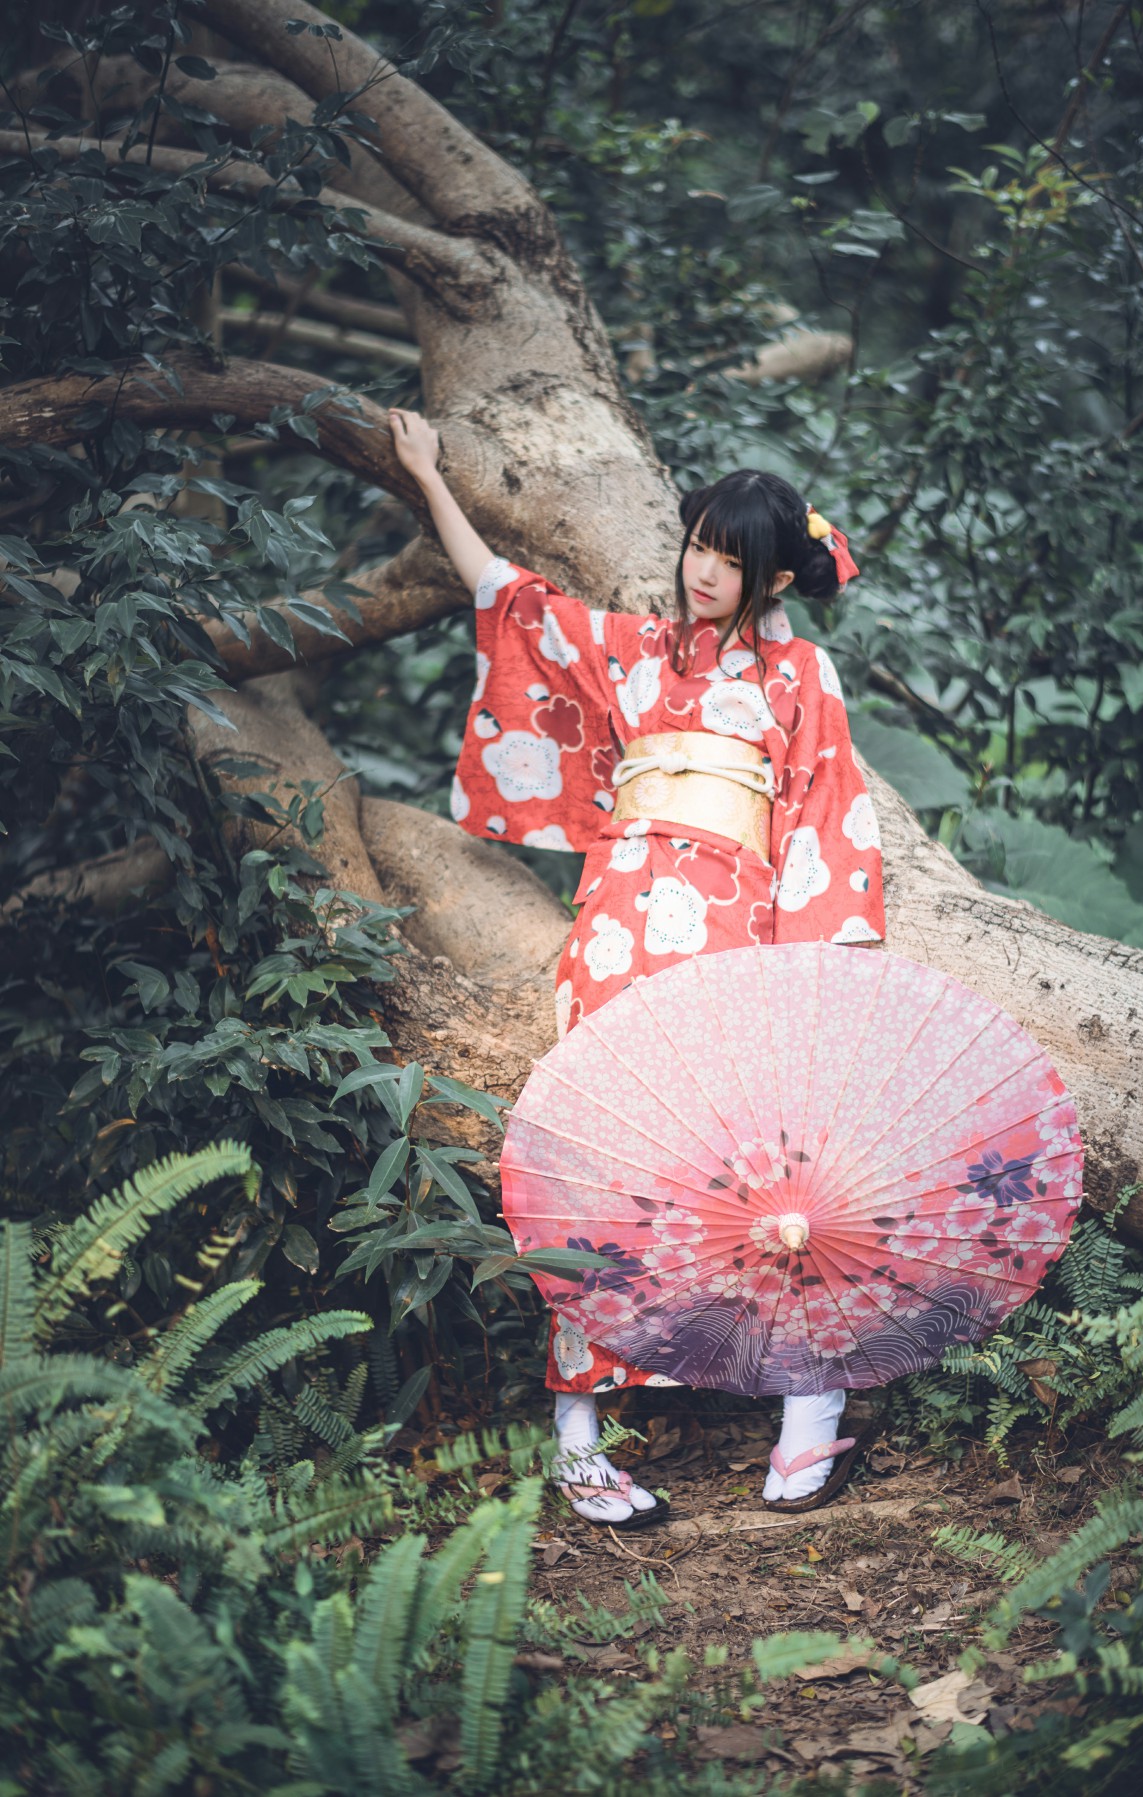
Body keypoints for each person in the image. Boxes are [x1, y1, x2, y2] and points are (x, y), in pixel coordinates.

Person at [389, 408, 886, 1527]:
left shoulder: (800, 675)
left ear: (774, 578)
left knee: (763, 1167)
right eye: (698, 545)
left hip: (736, 941)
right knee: (599, 1164)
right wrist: (428, 477)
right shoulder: (633, 651)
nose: (704, 571)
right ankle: (579, 1437)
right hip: (613, 937)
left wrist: (816, 975)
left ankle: (808, 1411)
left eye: (731, 559)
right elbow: (511, 599)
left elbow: (825, 826)